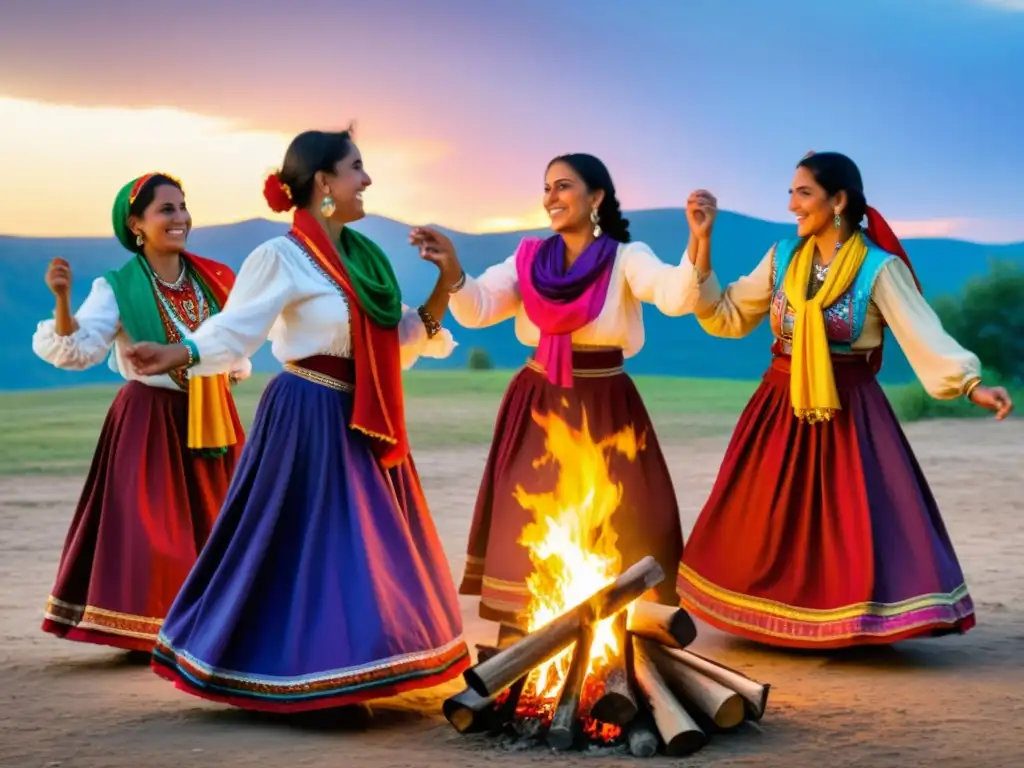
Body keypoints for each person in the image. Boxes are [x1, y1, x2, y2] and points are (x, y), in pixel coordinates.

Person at [125, 128, 470, 712]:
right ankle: (311, 678)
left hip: (362, 417)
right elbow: (237, 330)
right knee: (311, 547)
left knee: (366, 549)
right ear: (323, 184)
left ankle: (354, 671)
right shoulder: (280, 256)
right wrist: (178, 353)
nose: (367, 179)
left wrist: (446, 278)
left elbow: (405, 337)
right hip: (307, 413)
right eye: (357, 167)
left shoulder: (366, 260)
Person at [676, 151, 1014, 649]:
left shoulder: (878, 268)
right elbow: (726, 315)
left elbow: (921, 331)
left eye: (803, 192)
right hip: (780, 402)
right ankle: (772, 618)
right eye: (791, 192)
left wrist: (969, 384)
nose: (792, 204)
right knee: (768, 517)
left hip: (849, 409)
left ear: (838, 201)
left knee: (849, 519)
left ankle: (847, 623)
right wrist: (701, 241)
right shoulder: (782, 257)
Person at [411, 153, 709, 642]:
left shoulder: (626, 257)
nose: (551, 197)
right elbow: (479, 308)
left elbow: (675, 297)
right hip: (539, 400)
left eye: (563, 186)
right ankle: (528, 629)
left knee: (623, 517)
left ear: (596, 198)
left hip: (607, 402)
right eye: (547, 187)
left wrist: (699, 239)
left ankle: (621, 626)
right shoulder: (527, 258)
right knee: (531, 515)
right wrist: (454, 273)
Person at [31, 173, 248, 653]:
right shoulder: (117, 287)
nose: (180, 218)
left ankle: (212, 627)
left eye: (182, 207)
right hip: (149, 418)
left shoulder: (214, 279)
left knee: (221, 520)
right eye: (165, 210)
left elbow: (236, 347)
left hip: (211, 411)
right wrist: (63, 301)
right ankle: (154, 628)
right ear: (136, 224)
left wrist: (223, 366)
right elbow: (78, 348)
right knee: (155, 530)